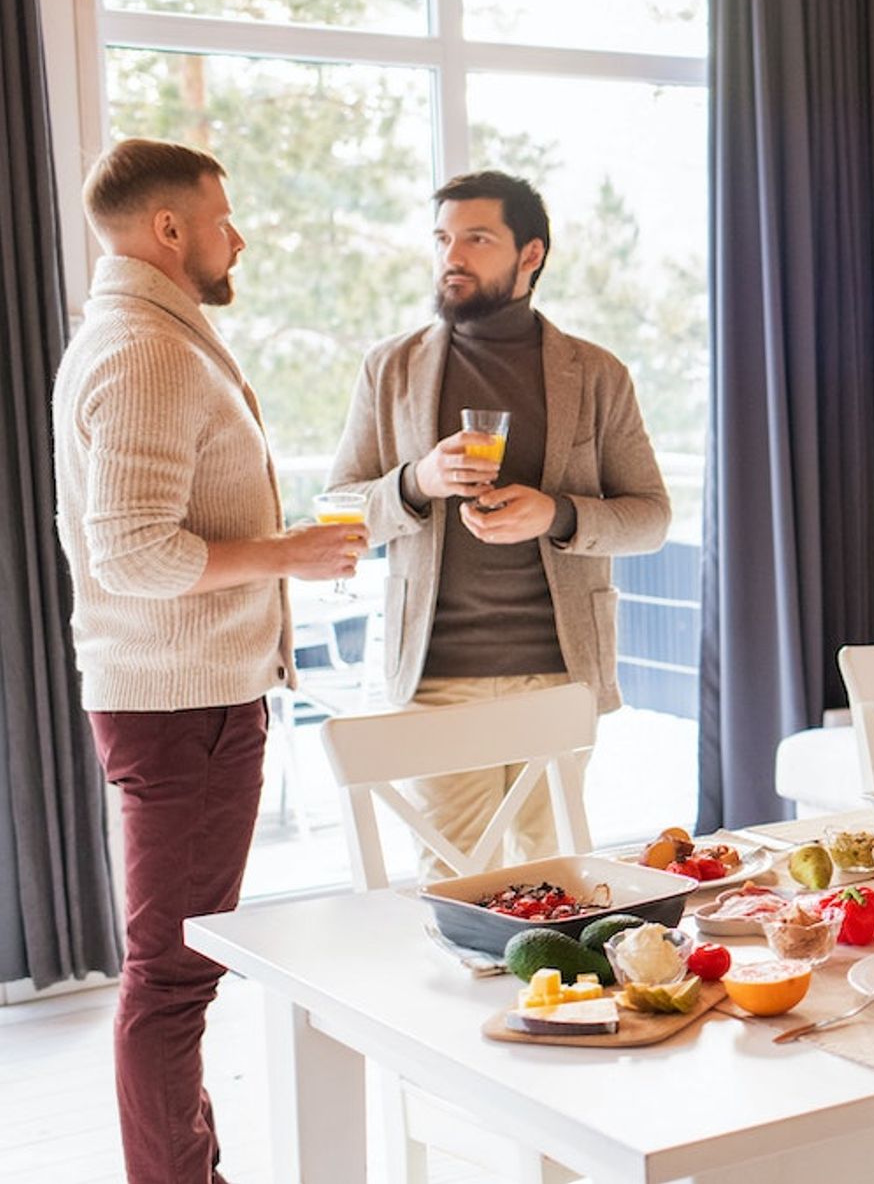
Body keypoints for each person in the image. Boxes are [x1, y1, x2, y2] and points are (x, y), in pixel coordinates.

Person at [53, 138, 365, 1182]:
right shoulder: (144, 349)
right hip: (182, 710)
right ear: (170, 229)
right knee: (172, 978)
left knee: (173, 972)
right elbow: (133, 554)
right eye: (223, 217)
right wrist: (288, 555)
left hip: (191, 702)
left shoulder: (142, 335)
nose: (240, 236)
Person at [327, 170, 669, 875]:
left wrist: (559, 512)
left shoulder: (597, 373)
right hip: (437, 675)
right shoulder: (389, 368)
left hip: (558, 673)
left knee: (555, 880)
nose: (453, 254)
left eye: (477, 238)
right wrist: (416, 482)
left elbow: (651, 518)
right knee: (452, 883)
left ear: (530, 254)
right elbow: (338, 509)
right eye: (443, 237)